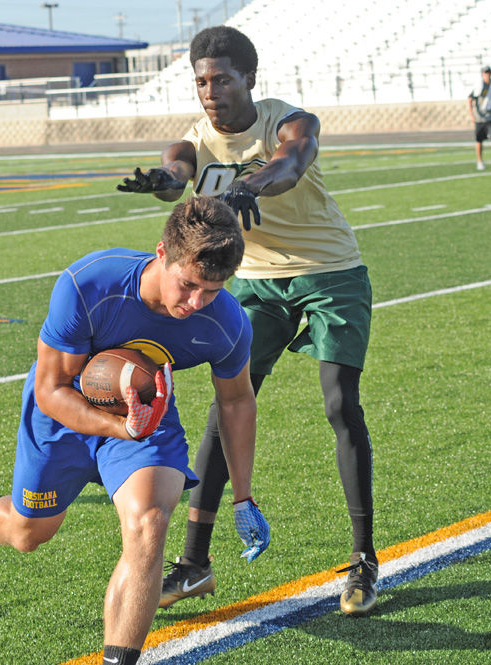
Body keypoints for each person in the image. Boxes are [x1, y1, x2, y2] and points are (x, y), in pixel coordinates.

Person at [117, 25, 379, 617]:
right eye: (202, 81)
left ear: (249, 80)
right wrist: (164, 183)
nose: (211, 91)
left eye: (223, 79)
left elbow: (289, 163)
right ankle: (193, 564)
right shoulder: (196, 140)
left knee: (341, 405)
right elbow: (177, 168)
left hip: (331, 274)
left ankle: (364, 560)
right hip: (256, 287)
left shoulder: (289, 121)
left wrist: (250, 183)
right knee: (225, 404)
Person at [0, 196, 270, 665]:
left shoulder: (225, 322)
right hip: (65, 411)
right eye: (187, 285)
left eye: (212, 290)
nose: (195, 303)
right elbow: (50, 390)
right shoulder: (90, 283)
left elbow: (237, 400)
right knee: (29, 533)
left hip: (146, 413)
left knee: (149, 525)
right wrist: (119, 427)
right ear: (161, 253)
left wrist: (243, 496)